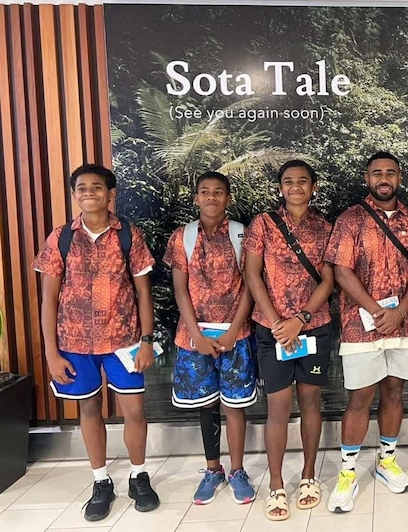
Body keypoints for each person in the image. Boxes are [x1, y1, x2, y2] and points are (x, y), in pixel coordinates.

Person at [33, 164, 160, 521]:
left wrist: (147, 340)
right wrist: (51, 353)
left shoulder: (129, 236)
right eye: (82, 188)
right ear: (74, 195)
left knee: (134, 410)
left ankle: (139, 475)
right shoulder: (60, 238)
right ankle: (101, 481)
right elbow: (48, 299)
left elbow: (143, 292)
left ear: (111, 193)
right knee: (89, 409)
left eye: (97, 188)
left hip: (124, 340)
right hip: (74, 343)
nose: (89, 194)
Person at [324, 151, 408, 513]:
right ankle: (348, 473)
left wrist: (399, 312)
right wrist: (376, 309)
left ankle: (386, 461)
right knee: (359, 397)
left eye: (391, 173)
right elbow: (341, 271)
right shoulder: (350, 219)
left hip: (403, 323)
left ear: (399, 178)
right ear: (367, 178)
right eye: (377, 173)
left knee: (395, 393)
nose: (384, 178)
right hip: (360, 324)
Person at [244, 160, 335, 520]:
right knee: (279, 406)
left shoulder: (326, 227)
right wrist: (278, 322)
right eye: (288, 181)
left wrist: (300, 320)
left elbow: (328, 280)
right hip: (272, 329)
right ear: (280, 187)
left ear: (313, 186)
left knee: (311, 401)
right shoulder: (262, 224)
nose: (295, 186)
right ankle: (277, 484)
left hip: (314, 326)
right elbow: (252, 274)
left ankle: (309, 476)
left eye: (302, 181)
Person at [163, 171, 256, 505]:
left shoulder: (243, 235)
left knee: (235, 406)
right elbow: (180, 289)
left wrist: (233, 330)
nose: (212, 197)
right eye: (205, 192)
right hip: (195, 338)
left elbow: (251, 284)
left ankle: (237, 470)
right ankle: (212, 469)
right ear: (196, 197)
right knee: (206, 406)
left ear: (228, 198)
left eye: (219, 192)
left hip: (236, 335)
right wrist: (195, 334)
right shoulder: (182, 237)